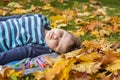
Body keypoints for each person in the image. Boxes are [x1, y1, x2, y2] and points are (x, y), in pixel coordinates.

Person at [0, 14, 81, 65]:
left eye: (57, 44)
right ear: (63, 30)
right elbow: (18, 17)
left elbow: (21, 52)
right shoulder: (41, 19)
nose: (56, 37)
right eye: (61, 34)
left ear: (55, 51)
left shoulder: (42, 47)